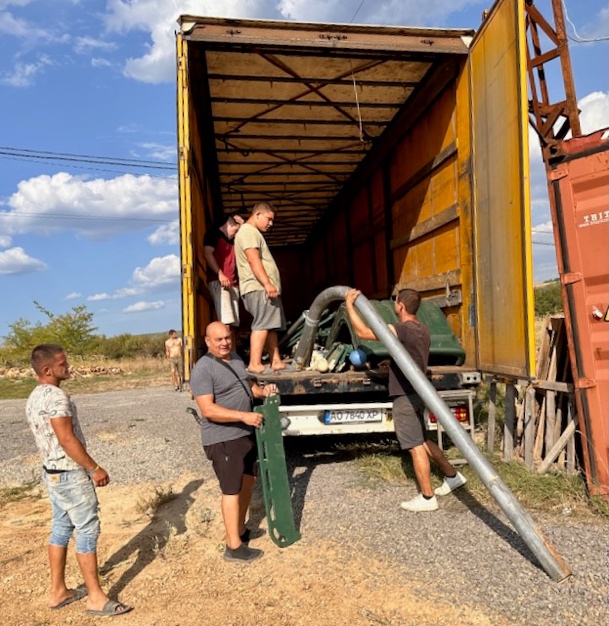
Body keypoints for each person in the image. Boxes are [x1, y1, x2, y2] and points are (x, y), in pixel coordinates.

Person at [25, 344, 132, 617]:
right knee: (86, 531)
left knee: (61, 527)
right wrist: (94, 468)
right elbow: (66, 439)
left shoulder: (34, 397)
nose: (68, 367)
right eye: (63, 364)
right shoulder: (57, 397)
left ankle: (58, 590)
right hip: (71, 474)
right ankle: (96, 597)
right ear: (47, 370)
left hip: (52, 473)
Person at [345, 288, 467, 512]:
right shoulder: (422, 330)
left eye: (396, 302)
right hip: (419, 391)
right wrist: (391, 364)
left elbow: (363, 332)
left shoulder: (402, 329)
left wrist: (350, 305)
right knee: (422, 439)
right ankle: (452, 476)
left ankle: (427, 498)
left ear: (400, 306)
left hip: (405, 394)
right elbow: (413, 355)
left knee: (413, 445)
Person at [190, 321, 278, 562]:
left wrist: (263, 390)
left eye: (227, 338)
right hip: (222, 439)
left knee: (248, 482)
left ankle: (239, 529)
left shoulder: (237, 359)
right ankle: (233, 547)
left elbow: (249, 387)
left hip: (243, 434)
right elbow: (207, 409)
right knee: (231, 489)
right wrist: (244, 416)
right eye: (218, 339)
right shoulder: (203, 369)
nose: (224, 343)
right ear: (208, 342)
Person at [234, 202, 286, 373]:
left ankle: (275, 360)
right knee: (262, 324)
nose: (271, 224)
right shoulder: (249, 232)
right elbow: (253, 260)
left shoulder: (250, 231)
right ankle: (254, 364)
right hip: (258, 287)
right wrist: (267, 283)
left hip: (260, 287)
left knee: (269, 325)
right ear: (257, 215)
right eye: (269, 219)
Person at [204, 213, 244, 329]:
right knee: (226, 322)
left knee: (234, 324)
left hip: (233, 284)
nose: (241, 226)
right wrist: (220, 274)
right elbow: (207, 253)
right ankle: (227, 347)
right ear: (230, 222)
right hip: (220, 282)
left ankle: (233, 348)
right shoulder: (213, 234)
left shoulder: (234, 240)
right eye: (239, 223)